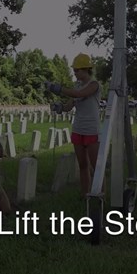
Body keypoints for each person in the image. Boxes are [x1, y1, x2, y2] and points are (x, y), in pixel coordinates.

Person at [45, 53, 101, 197]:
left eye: (77, 70)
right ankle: (84, 194)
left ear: (86, 69)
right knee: (82, 165)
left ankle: (101, 195)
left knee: (96, 167)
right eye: (74, 70)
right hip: (78, 129)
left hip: (91, 129)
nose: (75, 73)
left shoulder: (94, 84)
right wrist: (60, 107)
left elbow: (79, 95)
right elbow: (70, 106)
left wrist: (58, 89)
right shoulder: (77, 85)